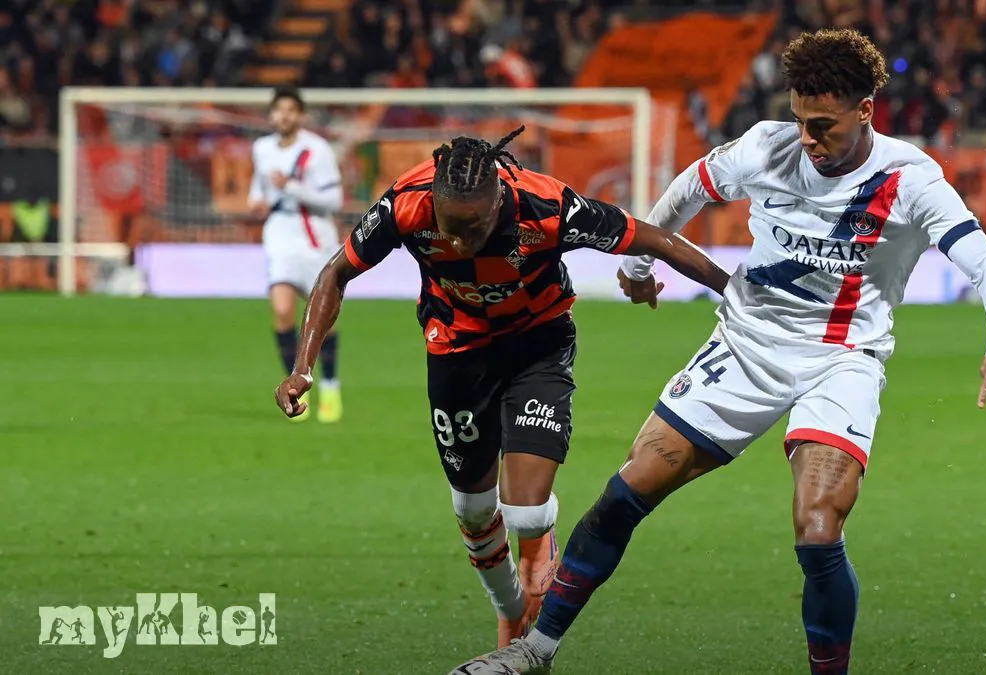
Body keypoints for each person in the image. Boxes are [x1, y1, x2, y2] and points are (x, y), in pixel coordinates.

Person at [453, 28, 986, 675]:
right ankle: (536, 651)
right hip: (745, 346)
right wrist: (642, 264)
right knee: (625, 493)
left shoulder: (912, 179)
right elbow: (692, 186)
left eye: (824, 125)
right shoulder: (766, 148)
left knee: (817, 524)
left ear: (866, 111)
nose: (808, 139)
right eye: (800, 120)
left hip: (841, 360)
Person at [273, 127, 729, 649]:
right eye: (453, 226)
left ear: (498, 200)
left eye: (477, 225)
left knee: (527, 511)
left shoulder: (548, 205)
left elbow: (655, 237)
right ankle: (509, 610)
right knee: (471, 511)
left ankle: (532, 568)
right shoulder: (406, 204)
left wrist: (731, 290)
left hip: (537, 344)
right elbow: (336, 274)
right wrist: (303, 367)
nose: (463, 240)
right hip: (457, 351)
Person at [250, 86, 345, 423]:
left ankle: (330, 385)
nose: (284, 116)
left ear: (301, 115)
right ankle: (292, 390)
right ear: (271, 115)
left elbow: (334, 201)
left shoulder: (316, 150)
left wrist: (291, 187)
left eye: (291, 110)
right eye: (278, 110)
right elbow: (258, 190)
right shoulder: (261, 149)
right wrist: (257, 201)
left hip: (314, 235)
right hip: (280, 233)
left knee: (322, 319)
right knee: (281, 310)